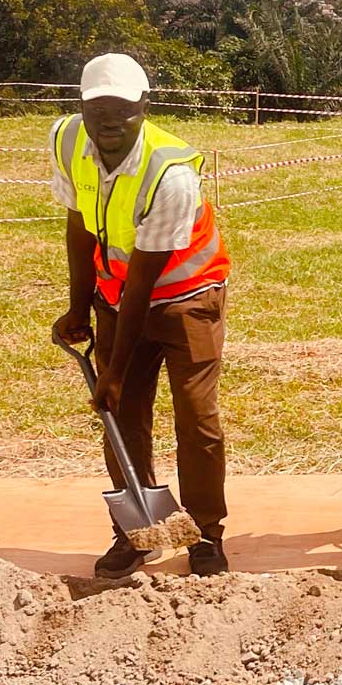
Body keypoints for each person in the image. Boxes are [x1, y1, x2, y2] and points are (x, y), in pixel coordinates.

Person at [50, 52, 231, 579]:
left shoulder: (170, 173)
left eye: (122, 109)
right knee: (122, 416)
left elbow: (145, 280)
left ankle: (205, 533)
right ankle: (138, 533)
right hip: (115, 298)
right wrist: (79, 306)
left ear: (144, 106)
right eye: (97, 109)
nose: (109, 121)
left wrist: (114, 369)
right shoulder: (67, 140)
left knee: (196, 418)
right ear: (82, 106)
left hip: (188, 298)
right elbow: (80, 224)